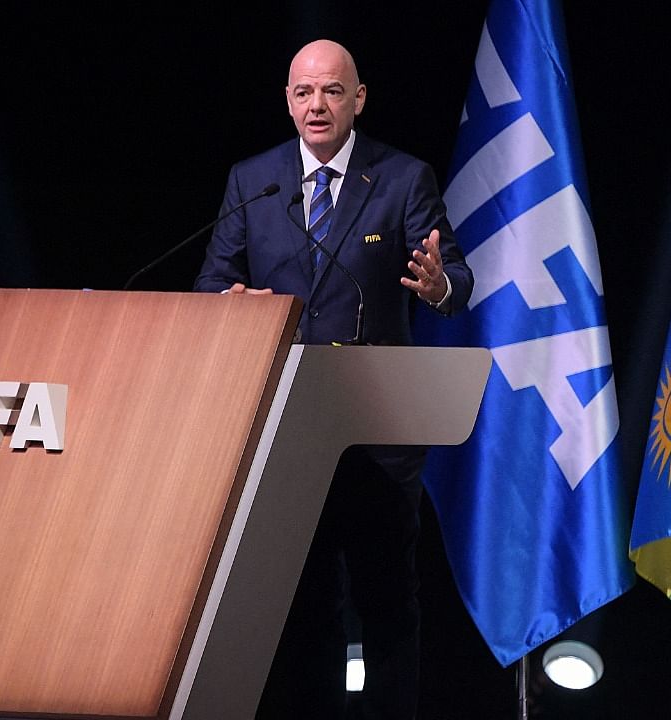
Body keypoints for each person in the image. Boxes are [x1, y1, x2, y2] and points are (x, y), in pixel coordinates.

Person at [194, 39, 473, 719]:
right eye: (303, 92)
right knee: (303, 611)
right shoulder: (253, 181)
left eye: (331, 91)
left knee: (387, 611)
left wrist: (437, 287)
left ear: (358, 98)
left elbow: (457, 282)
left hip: (376, 433)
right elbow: (210, 283)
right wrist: (228, 305)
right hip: (286, 431)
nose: (316, 105)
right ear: (288, 101)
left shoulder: (403, 178)